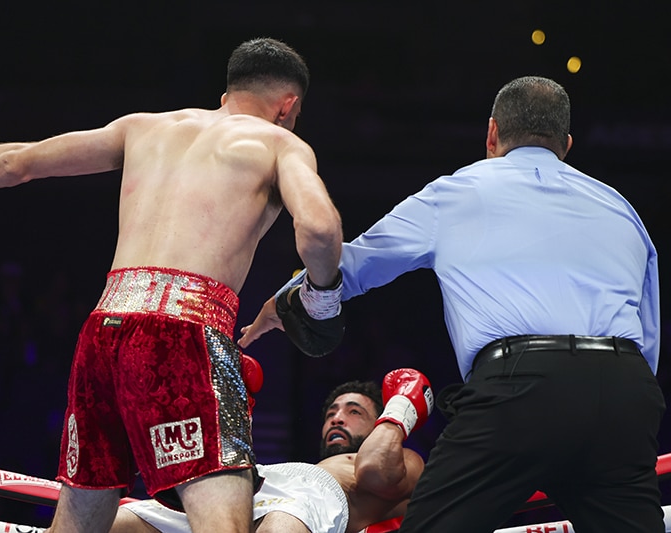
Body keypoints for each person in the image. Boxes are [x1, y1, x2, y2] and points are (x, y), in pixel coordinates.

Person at [0, 37, 344, 533]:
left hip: (103, 333)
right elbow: (320, 229)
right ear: (289, 105)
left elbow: (16, 163)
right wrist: (321, 298)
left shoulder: (143, 127)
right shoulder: (280, 143)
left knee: (80, 521)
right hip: (184, 334)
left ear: (227, 92)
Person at [239, 76, 665, 531]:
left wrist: (287, 301)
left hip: (520, 389)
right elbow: (649, 330)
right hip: (625, 392)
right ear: (566, 144)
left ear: (492, 134)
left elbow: (356, 264)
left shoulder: (459, 191)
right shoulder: (620, 207)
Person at [109, 369, 431, 533]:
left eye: (354, 412)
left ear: (379, 423)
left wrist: (400, 409)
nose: (337, 417)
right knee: (115, 523)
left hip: (311, 495)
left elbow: (374, 468)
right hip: (260, 479)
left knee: (281, 524)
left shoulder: (406, 459)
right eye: (332, 412)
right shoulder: (317, 463)